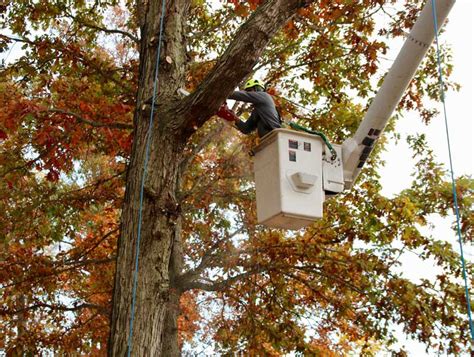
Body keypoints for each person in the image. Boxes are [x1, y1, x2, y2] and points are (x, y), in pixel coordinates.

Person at [217, 79, 281, 138]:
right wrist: (234, 117)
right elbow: (246, 129)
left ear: (257, 88)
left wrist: (221, 92)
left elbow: (241, 95)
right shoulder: (257, 111)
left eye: (249, 91)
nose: (248, 93)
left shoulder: (265, 96)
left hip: (276, 135)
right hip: (268, 139)